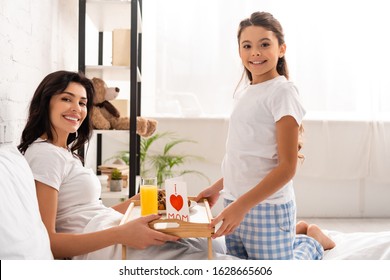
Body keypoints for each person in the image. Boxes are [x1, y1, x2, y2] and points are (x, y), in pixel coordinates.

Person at [18, 70, 230, 260]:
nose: (77, 109)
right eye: (67, 99)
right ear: (46, 102)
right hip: (104, 247)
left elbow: (92, 212)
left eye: (83, 103)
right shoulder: (45, 155)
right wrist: (122, 234)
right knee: (213, 258)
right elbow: (48, 243)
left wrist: (135, 201)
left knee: (212, 243)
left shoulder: (65, 153)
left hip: (111, 230)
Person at [196, 12, 335, 260]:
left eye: (264, 44)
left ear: (281, 49)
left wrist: (241, 206)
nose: (255, 52)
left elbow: (287, 168)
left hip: (266, 208)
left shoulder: (283, 93)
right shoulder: (245, 93)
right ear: (239, 52)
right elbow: (245, 156)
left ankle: (312, 239)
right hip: (234, 202)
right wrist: (218, 188)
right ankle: (297, 231)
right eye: (247, 46)